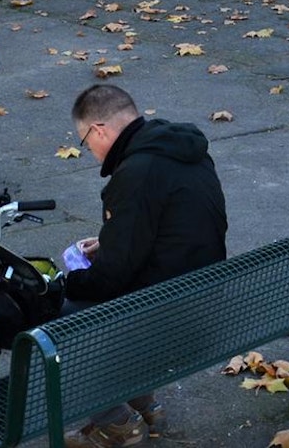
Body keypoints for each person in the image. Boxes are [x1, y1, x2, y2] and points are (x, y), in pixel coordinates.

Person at [59, 84, 228, 448]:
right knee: (126, 293)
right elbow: (174, 225)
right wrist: (109, 241)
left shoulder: (136, 172)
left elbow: (111, 277)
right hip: (204, 294)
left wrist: (64, 284)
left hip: (167, 311)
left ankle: (115, 422)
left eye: (86, 141)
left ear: (99, 129)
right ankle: (144, 403)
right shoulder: (183, 151)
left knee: (58, 320)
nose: (91, 151)